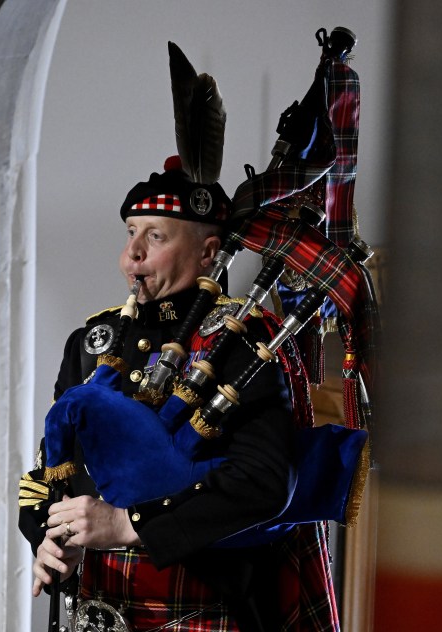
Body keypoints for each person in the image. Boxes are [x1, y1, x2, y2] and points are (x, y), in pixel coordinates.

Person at [27, 159, 341, 631]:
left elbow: (264, 483)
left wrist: (128, 525)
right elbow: (48, 471)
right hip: (96, 605)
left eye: (155, 237)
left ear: (209, 253)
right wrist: (48, 542)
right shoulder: (93, 341)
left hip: (202, 606)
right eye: (131, 232)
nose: (132, 253)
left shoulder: (243, 343)